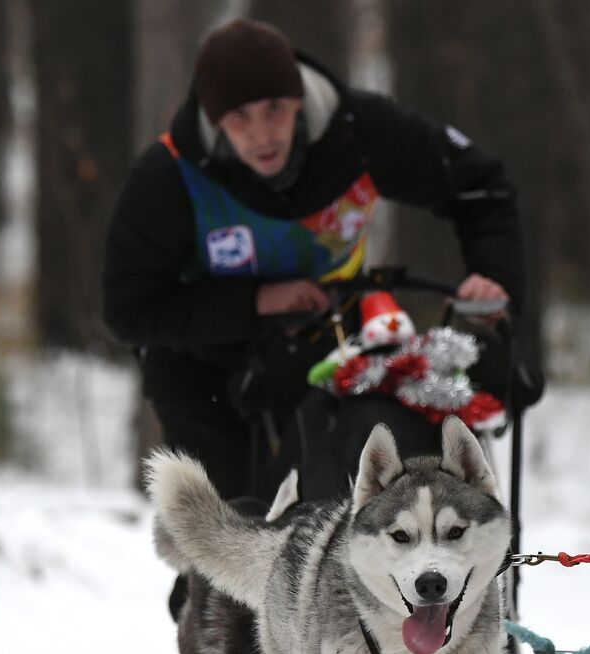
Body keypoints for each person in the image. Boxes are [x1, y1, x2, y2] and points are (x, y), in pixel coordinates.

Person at [103, 18, 531, 503]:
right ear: (214, 119)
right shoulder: (169, 175)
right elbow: (128, 310)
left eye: (275, 109)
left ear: (299, 100)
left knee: (348, 502)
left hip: (331, 342)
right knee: (231, 537)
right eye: (240, 118)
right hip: (203, 361)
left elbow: (482, 187)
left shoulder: (359, 132)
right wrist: (257, 300)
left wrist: (493, 277)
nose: (263, 134)